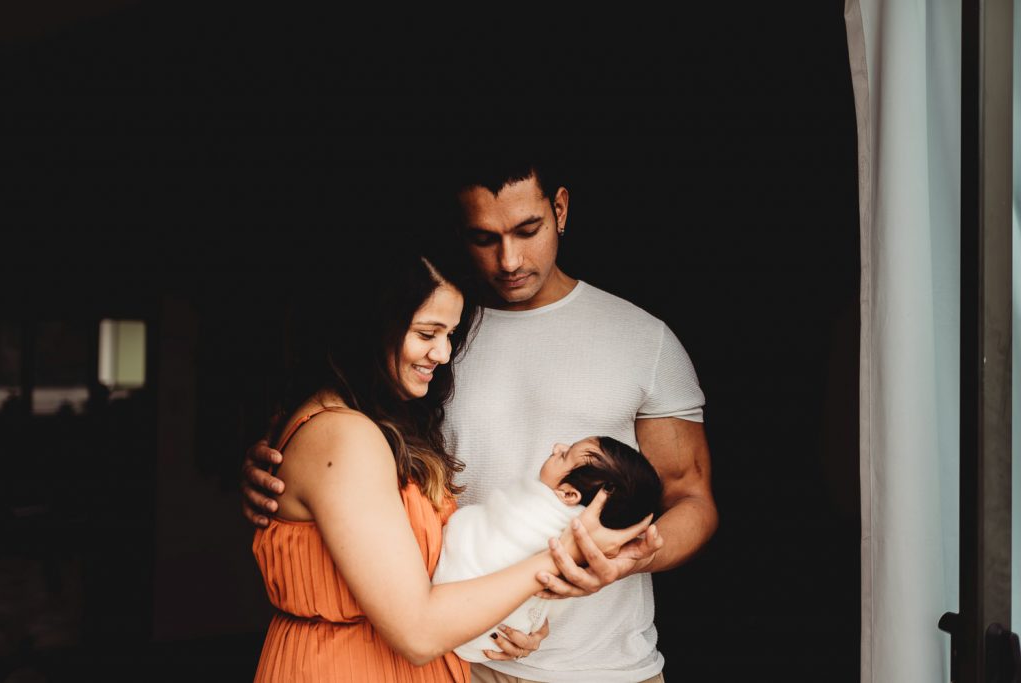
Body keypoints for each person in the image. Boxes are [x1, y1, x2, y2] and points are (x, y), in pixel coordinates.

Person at [243, 142, 717, 682]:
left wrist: (624, 557)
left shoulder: (643, 340)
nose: (508, 260)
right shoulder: (433, 337)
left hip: (599, 665)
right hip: (458, 660)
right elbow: (353, 460)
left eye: (527, 230)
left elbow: (691, 497)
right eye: (484, 239)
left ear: (560, 210)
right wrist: (283, 473)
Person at [251, 246, 649, 682]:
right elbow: (418, 632)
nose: (442, 354)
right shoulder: (344, 439)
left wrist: (513, 618)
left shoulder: (379, 424)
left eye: (450, 335)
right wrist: (562, 558)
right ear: (370, 329)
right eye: (427, 333)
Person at [432, 436, 663, 663]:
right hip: (489, 637)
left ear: (569, 494)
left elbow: (479, 530)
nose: (556, 447)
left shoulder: (536, 517)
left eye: (565, 455)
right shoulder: (593, 546)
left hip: (453, 614)